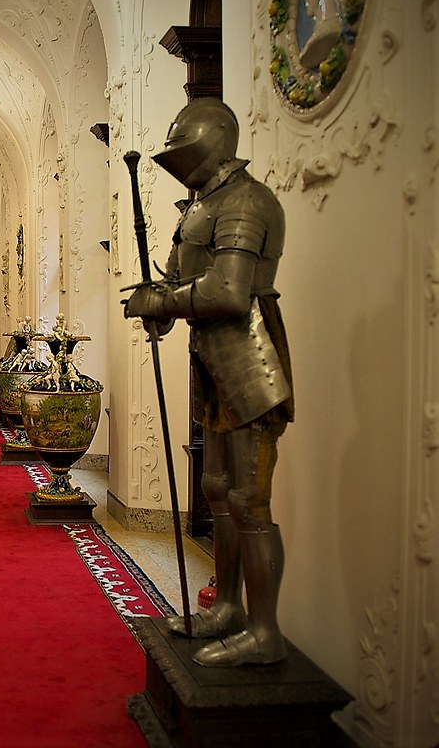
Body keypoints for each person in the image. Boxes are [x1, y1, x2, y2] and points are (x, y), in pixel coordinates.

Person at [123, 97, 294, 667]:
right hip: (213, 359)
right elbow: (182, 279)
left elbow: (227, 291)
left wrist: (165, 298)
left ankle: (265, 632)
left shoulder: (247, 200)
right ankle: (227, 607)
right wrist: (157, 303)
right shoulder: (203, 204)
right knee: (218, 490)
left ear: (213, 139)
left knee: (249, 499)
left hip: (250, 357)